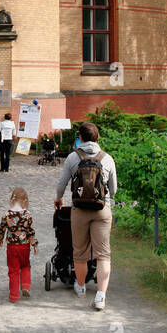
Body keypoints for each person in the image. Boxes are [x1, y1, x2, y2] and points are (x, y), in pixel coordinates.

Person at [54, 122, 118, 311]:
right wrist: (107, 199)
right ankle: (100, 296)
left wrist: (58, 199)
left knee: (80, 252)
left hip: (79, 210)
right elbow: (114, 189)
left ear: (80, 138)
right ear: (97, 137)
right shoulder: (107, 158)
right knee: (103, 254)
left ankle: (81, 286)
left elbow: (61, 184)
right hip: (101, 210)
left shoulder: (73, 158)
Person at [0, 186, 39, 302]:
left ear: (12, 199)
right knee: (25, 265)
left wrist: (0, 240)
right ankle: (25, 285)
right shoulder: (27, 215)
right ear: (25, 200)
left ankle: (14, 295)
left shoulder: (7, 214)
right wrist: (34, 244)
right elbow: (30, 231)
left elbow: (2, 229)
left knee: (13, 270)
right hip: (24, 246)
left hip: (12, 246)